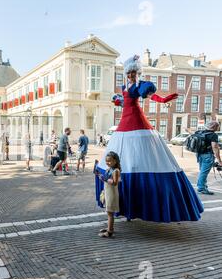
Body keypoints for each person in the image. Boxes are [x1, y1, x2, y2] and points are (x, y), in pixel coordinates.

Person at [95, 55, 203, 222]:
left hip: (137, 122)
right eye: (129, 72)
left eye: (133, 72)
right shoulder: (126, 86)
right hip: (124, 123)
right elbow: (126, 101)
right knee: (125, 156)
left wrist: (164, 99)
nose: (131, 75)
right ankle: (125, 206)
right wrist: (120, 101)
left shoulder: (140, 86)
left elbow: (152, 96)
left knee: (143, 153)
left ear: (138, 72)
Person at [95, 152, 121, 238]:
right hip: (107, 191)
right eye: (106, 161)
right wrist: (99, 175)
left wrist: (104, 178)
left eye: (110, 161)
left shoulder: (116, 171)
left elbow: (114, 182)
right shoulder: (108, 169)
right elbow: (105, 179)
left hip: (112, 193)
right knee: (108, 211)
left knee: (110, 213)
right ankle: (110, 227)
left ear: (115, 161)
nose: (108, 163)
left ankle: (109, 231)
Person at [195, 121, 222, 195]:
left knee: (202, 171)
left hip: (199, 154)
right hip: (208, 155)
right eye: (217, 126)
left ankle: (203, 186)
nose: (218, 127)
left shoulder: (200, 132)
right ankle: (201, 188)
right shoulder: (213, 135)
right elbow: (215, 147)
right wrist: (219, 160)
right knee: (203, 172)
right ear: (214, 127)